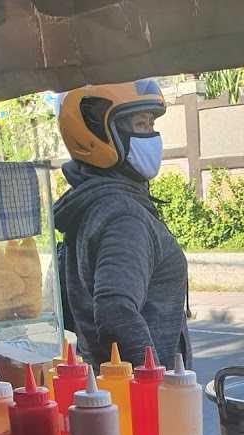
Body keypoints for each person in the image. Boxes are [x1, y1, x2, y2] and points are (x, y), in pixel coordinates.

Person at [54, 80, 191, 369]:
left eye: (152, 124)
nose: (152, 136)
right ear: (98, 133)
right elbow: (115, 312)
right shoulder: (124, 216)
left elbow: (71, 308)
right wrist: (152, 387)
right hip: (143, 400)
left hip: (109, 390)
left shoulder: (90, 204)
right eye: (141, 124)